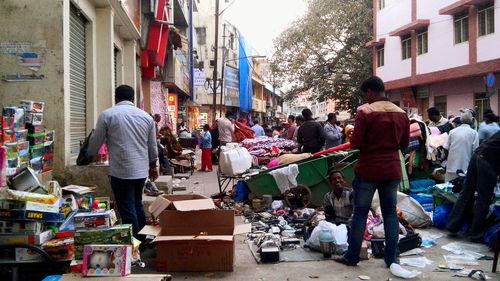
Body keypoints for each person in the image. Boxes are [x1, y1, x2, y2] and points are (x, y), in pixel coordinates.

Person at [334, 76, 409, 268]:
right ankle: (392, 259)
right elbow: (405, 144)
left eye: (365, 94)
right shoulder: (401, 113)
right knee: (390, 213)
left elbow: (356, 143)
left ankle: (352, 257)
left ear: (369, 92)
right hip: (392, 168)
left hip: (369, 168)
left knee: (360, 212)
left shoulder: (365, 112)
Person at [86, 85, 158, 239]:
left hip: (120, 171)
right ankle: (143, 238)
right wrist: (153, 166)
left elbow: (95, 143)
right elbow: (152, 146)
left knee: (127, 208)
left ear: (116, 97)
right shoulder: (147, 117)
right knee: (137, 203)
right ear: (133, 99)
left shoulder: (107, 115)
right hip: (140, 171)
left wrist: (88, 156)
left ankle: (135, 242)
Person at [447, 131, 500, 242]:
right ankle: (476, 234)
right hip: (488, 161)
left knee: (466, 192)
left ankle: (453, 226)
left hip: (477, 155)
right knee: (483, 198)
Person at [443, 110, 479, 182]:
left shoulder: (452, 132)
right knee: (462, 188)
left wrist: (449, 160)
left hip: (451, 166)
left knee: (448, 188)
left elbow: (445, 148)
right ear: (471, 121)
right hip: (466, 167)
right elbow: (476, 151)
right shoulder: (474, 133)